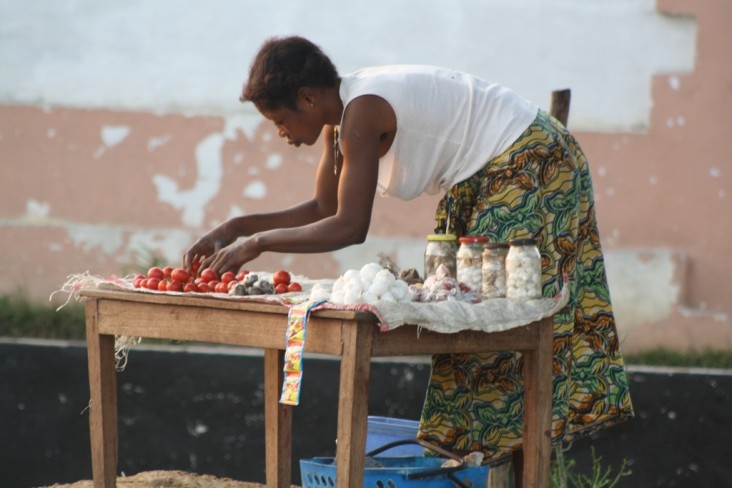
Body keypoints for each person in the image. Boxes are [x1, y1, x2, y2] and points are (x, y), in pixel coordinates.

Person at [183, 35, 634, 484]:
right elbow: (324, 208)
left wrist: (257, 243)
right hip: (488, 172)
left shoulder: (361, 112)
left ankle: (522, 471)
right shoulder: (338, 126)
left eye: (279, 121)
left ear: (307, 97)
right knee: (475, 318)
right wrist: (236, 227)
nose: (281, 134)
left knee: (501, 318)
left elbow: (349, 227)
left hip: (532, 159)